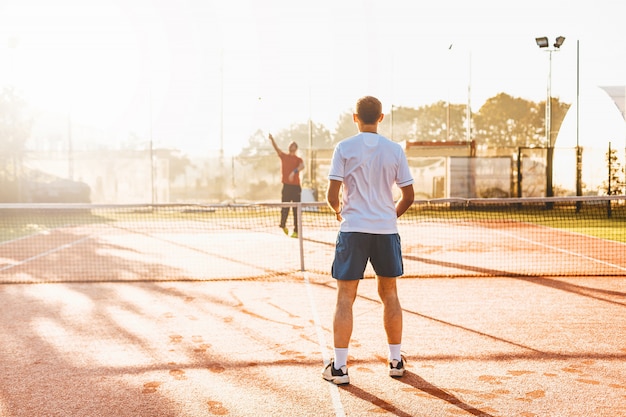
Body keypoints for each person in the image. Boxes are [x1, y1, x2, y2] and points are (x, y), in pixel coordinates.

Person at [323, 96, 415, 385]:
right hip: (386, 232)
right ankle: (396, 361)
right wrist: (389, 216)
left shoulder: (344, 147)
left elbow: (331, 194)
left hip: (353, 231)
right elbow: (408, 195)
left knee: (344, 298)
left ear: (355, 117)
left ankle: (339, 368)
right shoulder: (395, 150)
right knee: (390, 295)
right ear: (381, 117)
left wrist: (339, 211)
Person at [268, 133, 305, 238]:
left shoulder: (299, 159)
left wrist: (294, 172)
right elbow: (276, 149)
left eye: (293, 145)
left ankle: (296, 231)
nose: (291, 146)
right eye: (290, 145)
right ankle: (283, 224)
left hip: (296, 187)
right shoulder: (284, 157)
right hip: (286, 187)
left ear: (296, 148)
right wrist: (272, 139)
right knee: (285, 206)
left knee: (296, 209)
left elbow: (302, 166)